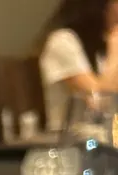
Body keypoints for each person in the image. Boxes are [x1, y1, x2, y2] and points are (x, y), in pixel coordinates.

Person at [40, 0, 118, 130]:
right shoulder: (62, 41)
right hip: (74, 139)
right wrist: (115, 51)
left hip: (109, 136)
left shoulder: (104, 44)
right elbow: (100, 100)